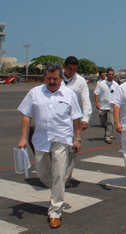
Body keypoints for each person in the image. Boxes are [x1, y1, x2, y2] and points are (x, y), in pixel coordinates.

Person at [17, 63, 82, 229]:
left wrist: (77, 139)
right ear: (44, 78)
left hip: (62, 139)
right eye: (48, 78)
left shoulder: (69, 94)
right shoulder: (35, 93)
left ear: (61, 78)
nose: (52, 81)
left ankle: (55, 211)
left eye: (55, 78)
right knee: (43, 173)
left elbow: (76, 118)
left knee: (60, 175)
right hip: (40, 140)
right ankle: (57, 189)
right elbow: (26, 115)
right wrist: (23, 138)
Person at [62, 56, 92, 188]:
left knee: (71, 149)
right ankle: (55, 174)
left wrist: (85, 118)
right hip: (56, 119)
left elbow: (86, 100)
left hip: (73, 119)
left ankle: (66, 177)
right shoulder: (56, 78)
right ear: (64, 66)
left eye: (75, 69)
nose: (72, 72)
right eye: (70, 69)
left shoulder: (80, 81)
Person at [94, 68, 119, 144]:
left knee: (111, 121)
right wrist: (97, 103)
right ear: (107, 75)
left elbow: (118, 95)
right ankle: (107, 129)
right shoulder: (101, 84)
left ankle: (108, 136)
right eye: (109, 74)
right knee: (103, 121)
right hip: (102, 105)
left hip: (112, 105)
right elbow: (96, 93)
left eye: (112, 74)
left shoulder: (116, 85)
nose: (111, 76)